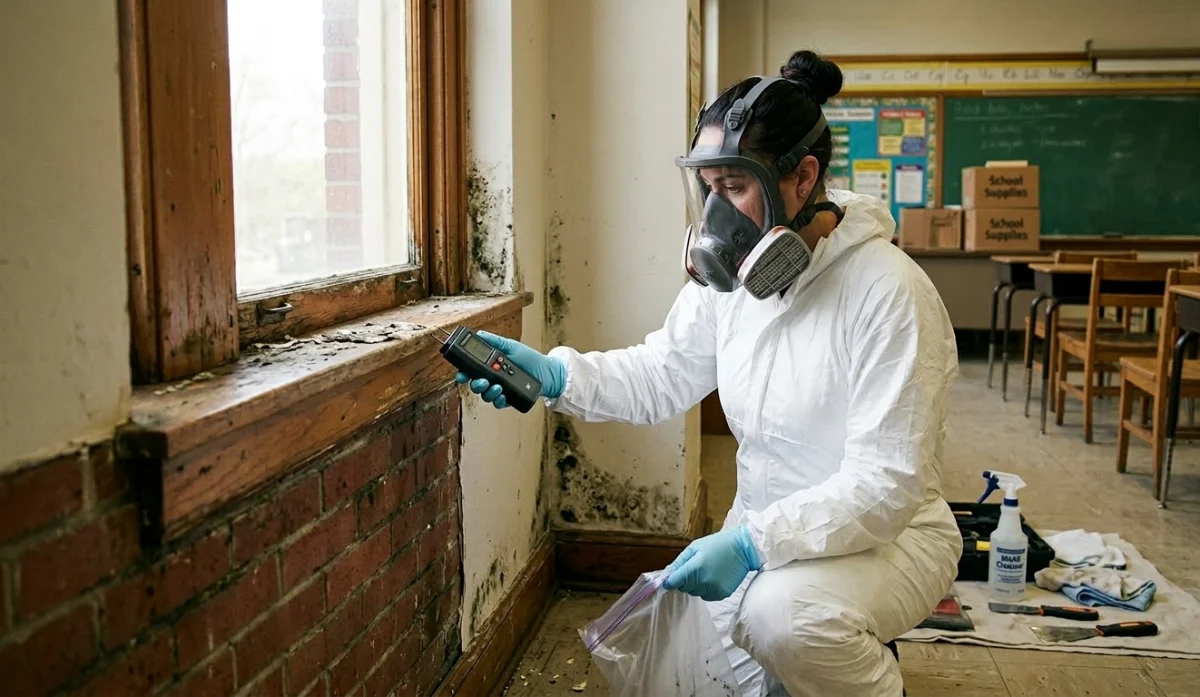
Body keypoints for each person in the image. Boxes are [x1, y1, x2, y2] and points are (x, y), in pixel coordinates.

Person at [457, 50, 962, 697]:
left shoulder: (889, 292)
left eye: (735, 186)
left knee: (783, 622)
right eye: (708, 187)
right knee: (688, 676)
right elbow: (661, 374)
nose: (715, 215)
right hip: (764, 528)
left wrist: (752, 544)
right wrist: (557, 376)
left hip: (888, 539)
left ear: (803, 177)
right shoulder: (731, 286)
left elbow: (886, 484)